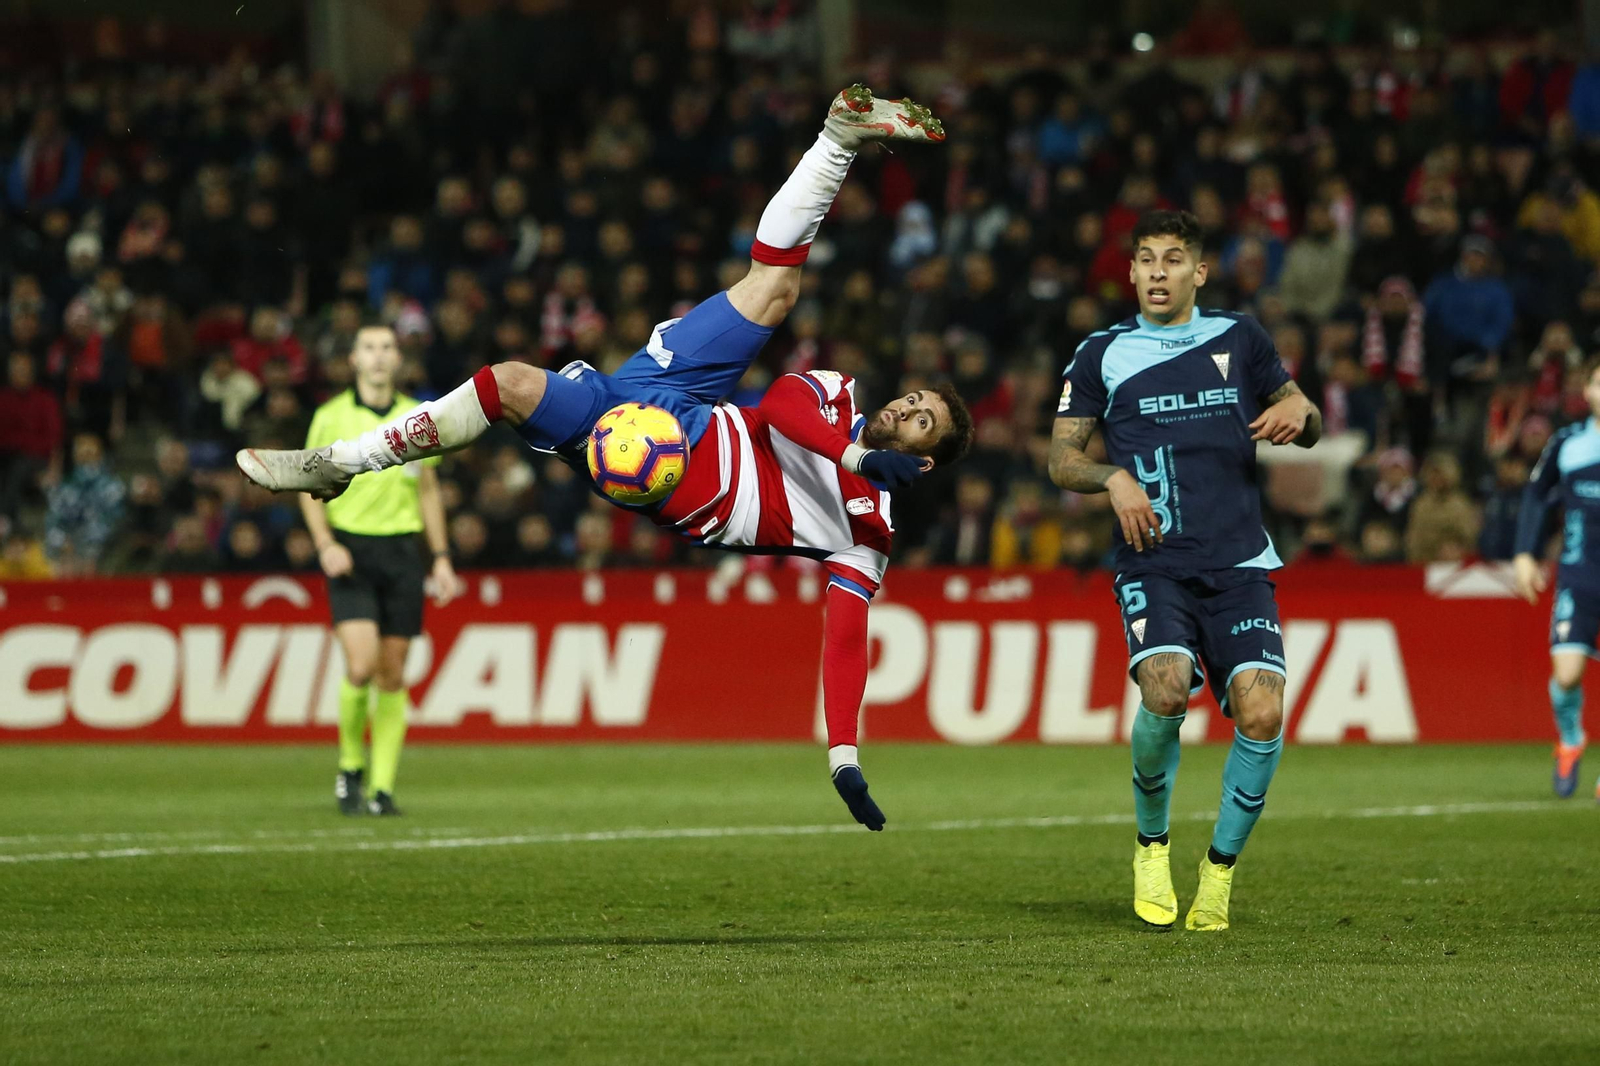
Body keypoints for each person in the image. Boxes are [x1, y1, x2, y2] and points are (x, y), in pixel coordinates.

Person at [238, 86, 973, 831]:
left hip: (667, 469)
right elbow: (781, 402)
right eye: (914, 399)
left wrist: (842, 754)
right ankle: (839, 138)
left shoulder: (868, 535)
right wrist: (852, 451)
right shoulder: (841, 397)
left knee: (513, 387)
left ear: (928, 460)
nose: (904, 409)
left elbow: (846, 637)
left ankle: (346, 463)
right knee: (772, 290)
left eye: (921, 422)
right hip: (685, 394)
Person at [1047, 209, 1322, 931]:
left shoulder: (1240, 338)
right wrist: (1112, 479)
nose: (1158, 272)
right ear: (1131, 272)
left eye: (1174, 259)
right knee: (1165, 692)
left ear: (1199, 271)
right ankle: (1150, 845)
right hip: (1155, 561)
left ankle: (1219, 873)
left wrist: (1301, 411)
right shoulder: (1101, 353)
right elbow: (1061, 458)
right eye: (1146, 259)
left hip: (1238, 562)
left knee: (1263, 710)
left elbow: (1303, 410)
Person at [299, 324, 460, 816]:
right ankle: (351, 765)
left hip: (401, 555)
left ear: (398, 358)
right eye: (368, 347)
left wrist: (441, 558)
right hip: (350, 552)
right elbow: (307, 487)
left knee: (392, 674)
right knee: (361, 665)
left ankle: (382, 789)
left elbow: (427, 490)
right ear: (353, 358)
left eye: (387, 347)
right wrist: (325, 543)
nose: (378, 356)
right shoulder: (329, 417)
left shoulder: (418, 417)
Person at [1513, 356, 1600, 800]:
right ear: (1587, 392)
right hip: (1580, 574)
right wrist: (1525, 552)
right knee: (1566, 675)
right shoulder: (1568, 443)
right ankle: (1570, 740)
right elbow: (1536, 494)